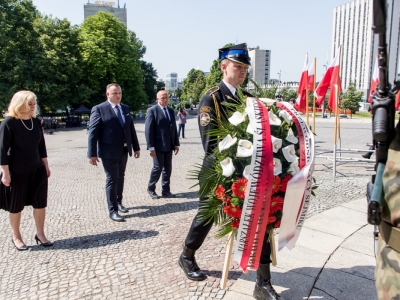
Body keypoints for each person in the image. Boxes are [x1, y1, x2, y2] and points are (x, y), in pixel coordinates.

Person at [178, 44, 283, 300]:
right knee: (205, 218)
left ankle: (263, 283)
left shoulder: (248, 98)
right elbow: (210, 144)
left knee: (262, 219)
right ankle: (187, 255)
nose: (243, 71)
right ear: (224, 67)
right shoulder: (211, 98)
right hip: (218, 173)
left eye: (246, 68)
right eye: (239, 66)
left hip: (251, 173)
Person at [0, 91, 52, 250]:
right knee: (15, 205)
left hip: (37, 169)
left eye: (34, 104)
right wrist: (5, 173)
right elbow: (2, 150)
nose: (32, 107)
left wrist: (46, 165)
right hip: (17, 172)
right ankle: (16, 236)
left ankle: (40, 234)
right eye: (29, 104)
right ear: (19, 104)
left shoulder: (36, 122)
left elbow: (41, 146)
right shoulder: (8, 123)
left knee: (40, 203)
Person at [87, 83, 140, 222]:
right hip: (108, 150)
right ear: (107, 94)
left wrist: (136, 147)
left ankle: (119, 202)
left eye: (120, 93)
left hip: (123, 149)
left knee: (121, 176)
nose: (118, 96)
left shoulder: (125, 108)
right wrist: (91, 154)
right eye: (115, 93)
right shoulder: (99, 109)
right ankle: (113, 210)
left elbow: (130, 129)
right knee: (112, 179)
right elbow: (93, 132)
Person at [145, 90, 180, 199]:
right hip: (157, 145)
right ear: (157, 99)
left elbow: (173, 127)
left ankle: (166, 190)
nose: (164, 100)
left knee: (167, 169)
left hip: (169, 145)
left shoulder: (170, 110)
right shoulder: (152, 111)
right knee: (157, 168)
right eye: (162, 98)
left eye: (166, 98)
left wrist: (176, 143)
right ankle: (151, 188)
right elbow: (148, 130)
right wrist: (151, 147)